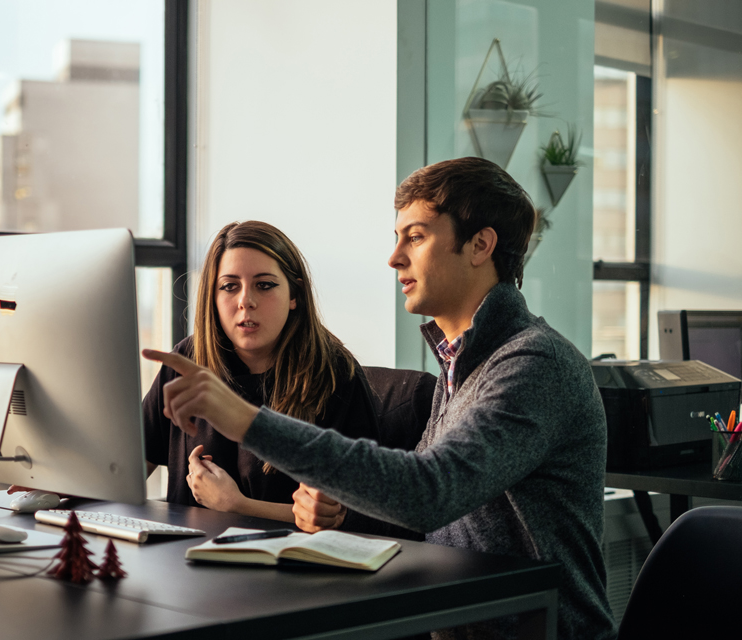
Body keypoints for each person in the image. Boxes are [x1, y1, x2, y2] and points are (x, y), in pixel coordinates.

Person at [143, 158, 617, 640]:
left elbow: (430, 494)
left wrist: (246, 421)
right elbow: (429, 521)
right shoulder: (464, 362)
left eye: (415, 237)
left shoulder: (533, 365)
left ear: (480, 245)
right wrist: (342, 514)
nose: (394, 258)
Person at [142, 220, 379, 523]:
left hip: (290, 564)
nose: (245, 301)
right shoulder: (188, 360)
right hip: (186, 560)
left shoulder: (334, 375)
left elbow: (359, 518)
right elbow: (126, 472)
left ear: (295, 295)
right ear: (212, 299)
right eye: (229, 286)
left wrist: (236, 504)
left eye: (264, 285)